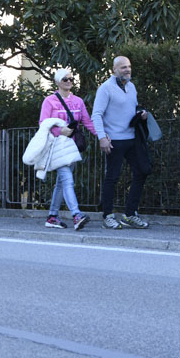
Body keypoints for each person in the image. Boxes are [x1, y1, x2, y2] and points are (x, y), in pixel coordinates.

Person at [92, 56, 151, 229]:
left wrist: (141, 113)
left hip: (132, 139)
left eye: (129, 66)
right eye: (123, 67)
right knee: (112, 177)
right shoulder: (105, 88)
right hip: (114, 141)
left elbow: (130, 109)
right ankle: (107, 216)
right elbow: (96, 114)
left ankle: (130, 215)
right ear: (114, 70)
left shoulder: (131, 87)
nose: (127, 69)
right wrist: (102, 137)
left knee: (143, 171)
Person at [38, 69, 98, 230]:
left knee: (61, 183)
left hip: (72, 147)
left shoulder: (78, 101)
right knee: (67, 179)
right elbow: (43, 124)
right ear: (57, 82)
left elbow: (87, 121)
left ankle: (52, 216)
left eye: (71, 79)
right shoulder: (49, 101)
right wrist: (59, 131)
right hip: (57, 146)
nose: (69, 81)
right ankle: (76, 214)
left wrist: (102, 136)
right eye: (65, 79)